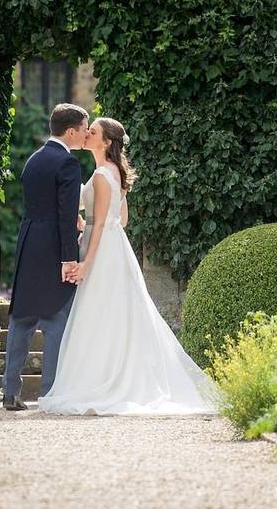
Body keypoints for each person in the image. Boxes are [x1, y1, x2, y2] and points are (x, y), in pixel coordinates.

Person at [38, 117, 218, 415]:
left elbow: (101, 226)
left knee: (97, 313)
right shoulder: (113, 173)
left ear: (106, 142)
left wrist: (85, 262)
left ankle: (103, 381)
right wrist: (90, 220)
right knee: (111, 313)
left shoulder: (100, 175)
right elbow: (121, 220)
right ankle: (113, 374)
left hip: (101, 252)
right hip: (115, 247)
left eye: (92, 132)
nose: (87, 134)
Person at [2, 103, 88, 410]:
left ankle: (10, 392)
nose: (86, 134)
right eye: (83, 129)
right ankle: (49, 395)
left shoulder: (33, 160)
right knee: (55, 321)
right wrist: (69, 257)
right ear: (71, 131)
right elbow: (65, 214)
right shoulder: (67, 163)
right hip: (54, 248)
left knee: (21, 319)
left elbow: (41, 205)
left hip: (28, 245)